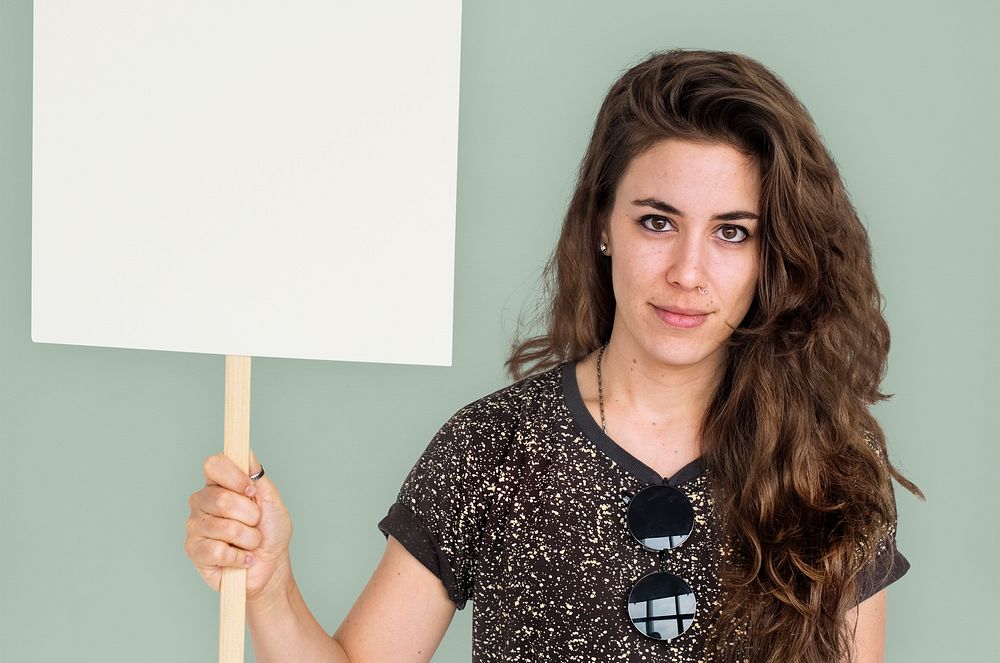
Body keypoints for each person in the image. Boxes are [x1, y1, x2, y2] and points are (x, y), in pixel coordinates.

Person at [184, 49, 921, 662]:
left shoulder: (826, 462)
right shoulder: (494, 448)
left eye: (732, 232)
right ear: (604, 223)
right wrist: (269, 585)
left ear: (773, 252)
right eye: (658, 221)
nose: (689, 273)